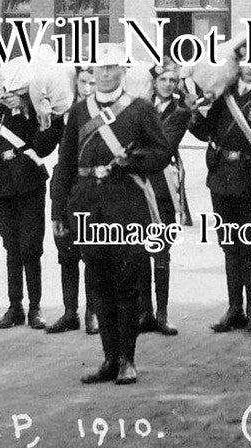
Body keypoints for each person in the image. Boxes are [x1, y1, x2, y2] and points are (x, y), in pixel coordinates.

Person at [51, 43, 173, 385]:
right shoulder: (78, 112)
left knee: (126, 281)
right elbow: (65, 163)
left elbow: (162, 152)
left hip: (126, 205)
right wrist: (59, 210)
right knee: (98, 282)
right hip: (88, 206)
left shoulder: (139, 109)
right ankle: (108, 358)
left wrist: (130, 162)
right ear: (93, 71)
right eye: (101, 68)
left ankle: (127, 360)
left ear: (123, 70)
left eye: (113, 67)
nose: (106, 73)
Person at [189, 42, 251, 335]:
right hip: (220, 180)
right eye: (246, 60)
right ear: (238, 64)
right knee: (229, 247)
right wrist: (192, 113)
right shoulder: (224, 96)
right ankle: (234, 309)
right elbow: (205, 132)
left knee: (250, 249)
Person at [0, 51, 65, 331]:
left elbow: (44, 143)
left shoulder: (26, 103)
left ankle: (35, 307)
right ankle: (15, 306)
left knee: (31, 247)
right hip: (0, 183)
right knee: (11, 247)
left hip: (29, 179)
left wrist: (26, 108)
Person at [137, 58, 192, 337]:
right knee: (139, 250)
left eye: (173, 81)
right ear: (155, 82)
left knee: (161, 252)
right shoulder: (140, 108)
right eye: (163, 80)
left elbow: (165, 146)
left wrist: (132, 152)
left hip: (163, 185)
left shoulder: (180, 113)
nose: (168, 85)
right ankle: (144, 312)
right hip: (138, 184)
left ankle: (162, 314)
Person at [47, 64, 98, 335]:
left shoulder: (106, 112)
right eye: (83, 83)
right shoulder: (65, 112)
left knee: (92, 255)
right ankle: (70, 312)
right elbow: (50, 151)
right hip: (66, 185)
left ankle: (93, 311)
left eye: (92, 83)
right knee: (66, 253)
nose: (87, 88)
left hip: (91, 188)